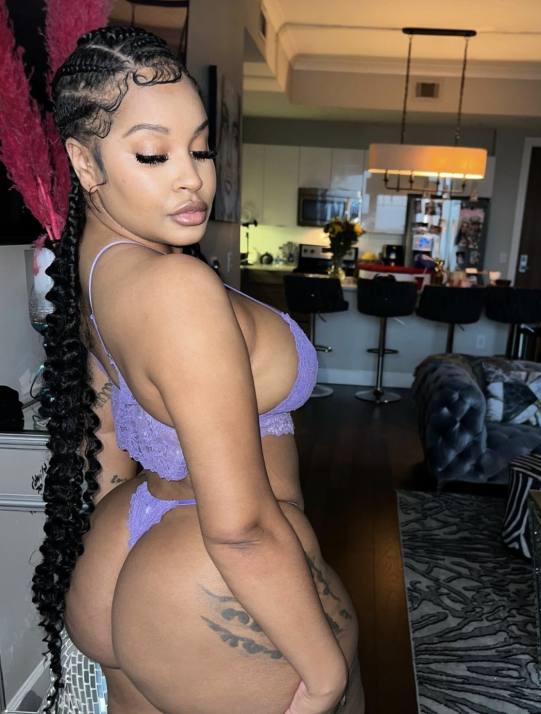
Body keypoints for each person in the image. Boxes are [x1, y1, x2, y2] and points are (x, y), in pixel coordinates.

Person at [32, 25, 363, 714]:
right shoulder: (177, 289)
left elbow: (109, 436)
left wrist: (128, 570)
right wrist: (325, 675)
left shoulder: (97, 270)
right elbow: (240, 527)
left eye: (201, 147)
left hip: (124, 548)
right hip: (209, 578)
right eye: (154, 154)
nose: (193, 178)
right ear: (85, 164)